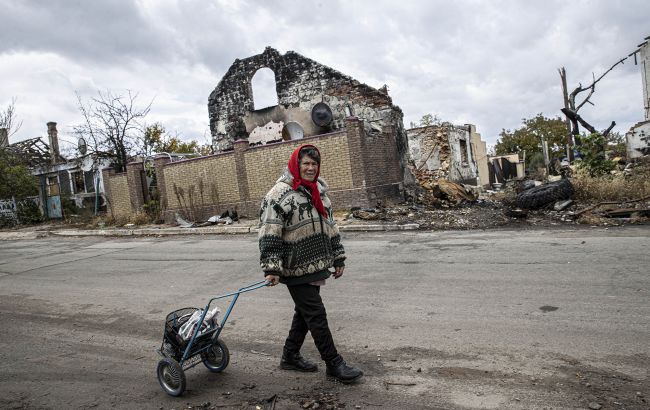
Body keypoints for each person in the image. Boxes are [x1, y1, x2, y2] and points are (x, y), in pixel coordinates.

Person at [258, 144, 363, 384]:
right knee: (315, 313)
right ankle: (334, 364)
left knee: (304, 313)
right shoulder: (278, 194)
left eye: (314, 164)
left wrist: (338, 256)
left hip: (316, 262)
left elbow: (330, 226)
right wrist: (272, 267)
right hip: (294, 265)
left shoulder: (319, 192)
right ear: (296, 164)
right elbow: (269, 231)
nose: (310, 168)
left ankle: (290, 355)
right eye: (305, 163)